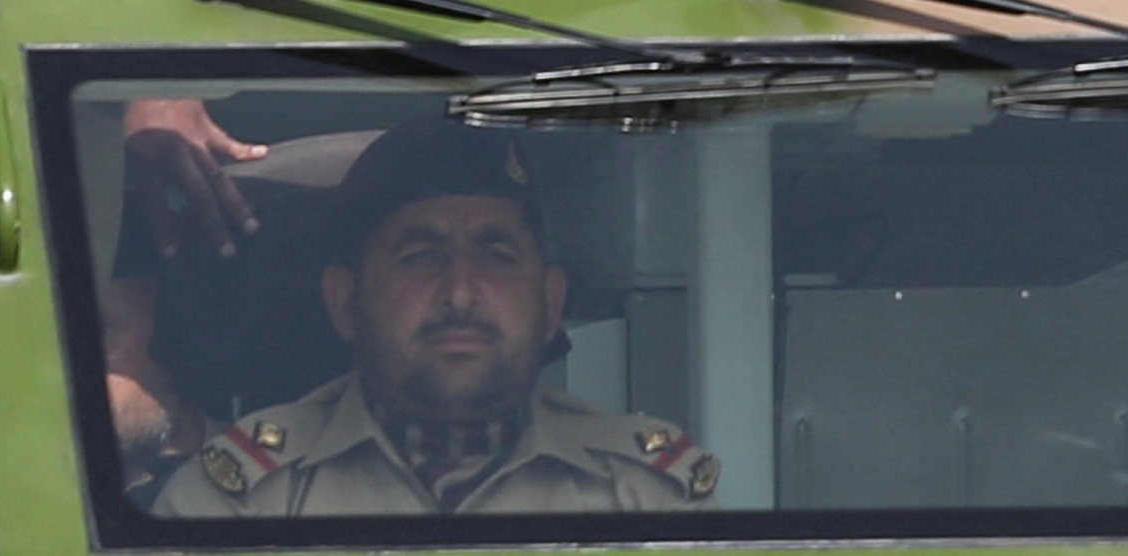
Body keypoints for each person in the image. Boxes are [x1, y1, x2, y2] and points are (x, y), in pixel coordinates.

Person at [152, 124, 716, 520]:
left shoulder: (642, 490)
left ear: (549, 302)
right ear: (345, 301)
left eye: (496, 254)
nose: (461, 292)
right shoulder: (241, 500)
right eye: (419, 255)